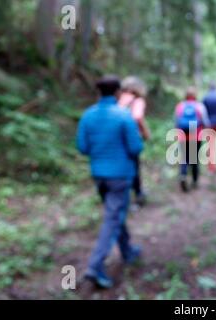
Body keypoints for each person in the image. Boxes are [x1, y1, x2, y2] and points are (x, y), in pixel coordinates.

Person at [76, 75, 144, 289]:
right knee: (113, 217)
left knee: (115, 213)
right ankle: (94, 267)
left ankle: (127, 251)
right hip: (120, 175)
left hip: (99, 175)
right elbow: (135, 148)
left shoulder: (88, 115)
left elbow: (82, 147)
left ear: (99, 92)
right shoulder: (123, 116)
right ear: (117, 92)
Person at [118, 76, 151, 207]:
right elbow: (137, 117)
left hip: (117, 137)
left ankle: (121, 193)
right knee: (134, 166)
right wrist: (146, 132)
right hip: (131, 137)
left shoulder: (119, 98)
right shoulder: (137, 100)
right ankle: (138, 195)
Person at [175, 87, 210, 192]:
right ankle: (194, 181)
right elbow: (205, 122)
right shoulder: (199, 106)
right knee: (194, 158)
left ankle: (183, 175)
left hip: (182, 135)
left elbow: (176, 121)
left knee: (184, 157)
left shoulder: (180, 106)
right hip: (196, 135)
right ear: (195, 95)